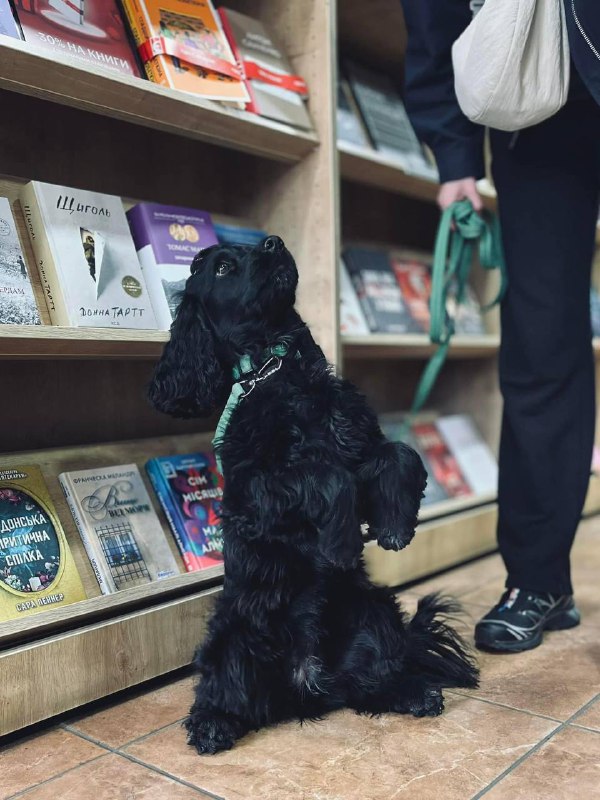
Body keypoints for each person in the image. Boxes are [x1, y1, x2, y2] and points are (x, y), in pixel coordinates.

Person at [400, 0, 600, 652]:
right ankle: (540, 580)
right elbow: (432, 12)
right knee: (540, 348)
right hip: (536, 113)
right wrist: (454, 153)